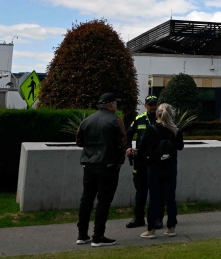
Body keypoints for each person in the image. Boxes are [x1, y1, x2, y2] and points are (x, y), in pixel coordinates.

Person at [75, 92, 127, 247]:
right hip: (108, 165)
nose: (116, 106)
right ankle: (98, 236)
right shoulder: (116, 120)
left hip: (89, 165)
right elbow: (122, 143)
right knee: (103, 201)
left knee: (87, 199)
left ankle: (82, 234)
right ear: (111, 104)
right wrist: (119, 162)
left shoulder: (87, 120)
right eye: (115, 103)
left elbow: (79, 141)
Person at [137, 103, 184, 239]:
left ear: (157, 114)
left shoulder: (151, 129)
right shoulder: (176, 130)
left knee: (154, 199)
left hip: (155, 168)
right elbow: (180, 147)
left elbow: (141, 150)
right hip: (170, 167)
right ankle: (171, 227)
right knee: (170, 198)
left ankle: (151, 229)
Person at [125, 95, 159, 229]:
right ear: (145, 105)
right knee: (140, 190)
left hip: (156, 160)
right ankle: (138, 218)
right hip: (140, 160)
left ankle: (156, 219)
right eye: (150, 104)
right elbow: (128, 134)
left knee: (156, 190)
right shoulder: (139, 119)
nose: (153, 106)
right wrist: (128, 147)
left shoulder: (161, 118)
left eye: (155, 104)